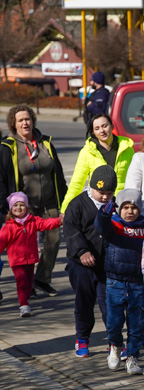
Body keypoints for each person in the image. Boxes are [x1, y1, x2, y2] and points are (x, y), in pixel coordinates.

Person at [0, 105, 68, 296]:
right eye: (20, 120)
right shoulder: (8, 147)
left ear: (33, 121)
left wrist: (65, 200)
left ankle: (42, 279)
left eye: (27, 119)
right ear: (14, 124)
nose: (25, 123)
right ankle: (27, 285)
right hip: (23, 208)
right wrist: (5, 207)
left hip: (49, 202)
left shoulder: (46, 143)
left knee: (54, 241)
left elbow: (59, 174)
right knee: (26, 248)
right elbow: (2, 179)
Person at [64, 165, 116, 358]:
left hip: (105, 265)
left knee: (109, 304)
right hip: (81, 266)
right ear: (91, 187)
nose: (104, 197)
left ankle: (114, 341)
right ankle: (82, 339)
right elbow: (71, 231)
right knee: (84, 303)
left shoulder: (113, 206)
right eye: (101, 192)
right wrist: (82, 251)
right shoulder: (77, 204)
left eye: (109, 194)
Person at [95, 188, 144, 376]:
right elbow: (100, 224)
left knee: (137, 323)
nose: (130, 211)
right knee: (114, 322)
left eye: (134, 207)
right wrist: (104, 212)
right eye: (125, 207)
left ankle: (132, 356)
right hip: (115, 282)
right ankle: (115, 345)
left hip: (137, 283)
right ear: (119, 209)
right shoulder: (114, 226)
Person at [0, 192, 62, 316]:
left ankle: (25, 298)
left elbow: (46, 224)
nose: (19, 208)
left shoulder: (32, 221)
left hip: (30, 259)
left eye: (22, 205)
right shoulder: (9, 226)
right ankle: (23, 305)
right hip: (17, 261)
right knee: (22, 282)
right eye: (15, 205)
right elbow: (1, 241)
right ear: (11, 209)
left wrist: (59, 221)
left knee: (29, 283)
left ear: (27, 207)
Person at [61, 114, 134, 212]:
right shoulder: (87, 152)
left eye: (105, 126)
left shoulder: (127, 148)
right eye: (97, 128)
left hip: (123, 205)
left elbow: (135, 179)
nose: (102, 131)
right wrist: (65, 209)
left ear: (112, 126)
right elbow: (77, 183)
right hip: (98, 206)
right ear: (93, 132)